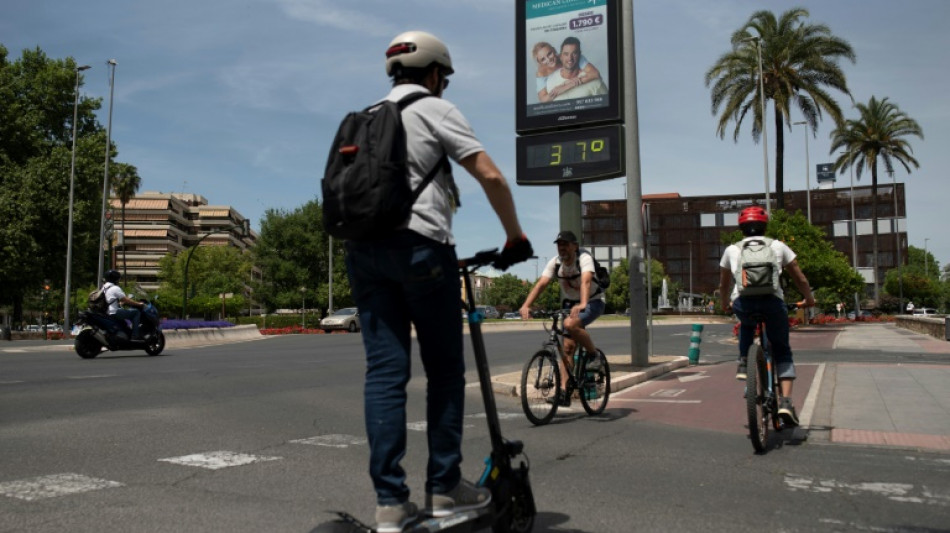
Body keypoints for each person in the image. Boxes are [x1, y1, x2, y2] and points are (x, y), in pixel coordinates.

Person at [346, 30, 533, 533]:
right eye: (443, 78)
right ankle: (445, 488)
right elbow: (491, 176)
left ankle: (390, 504)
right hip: (422, 249)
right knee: (445, 372)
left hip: (364, 254)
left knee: (384, 374)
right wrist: (514, 237)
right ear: (433, 74)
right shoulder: (434, 108)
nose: (443, 85)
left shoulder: (364, 117)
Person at [718, 206, 815, 426]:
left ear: (741, 228)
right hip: (773, 303)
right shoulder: (778, 246)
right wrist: (809, 298)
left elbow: (724, 284)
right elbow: (799, 277)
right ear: (765, 226)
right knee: (782, 349)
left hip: (743, 302)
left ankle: (744, 363)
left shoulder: (732, 250)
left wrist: (724, 303)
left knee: (746, 324)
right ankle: (786, 402)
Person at [518, 230, 605, 407]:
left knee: (570, 324)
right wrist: (526, 305)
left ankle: (594, 356)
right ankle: (564, 393)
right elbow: (541, 284)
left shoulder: (584, 258)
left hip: (593, 301)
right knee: (567, 348)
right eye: (559, 245)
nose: (562, 248)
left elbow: (586, 281)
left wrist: (582, 303)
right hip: (570, 304)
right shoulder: (555, 263)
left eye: (565, 244)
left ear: (575, 246)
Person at [531, 41, 601, 103]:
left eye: (549, 54)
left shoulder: (570, 57)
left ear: (554, 50)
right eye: (543, 59)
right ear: (539, 62)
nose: (549, 59)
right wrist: (558, 90)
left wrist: (567, 86)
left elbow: (595, 74)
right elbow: (543, 99)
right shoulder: (541, 73)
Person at [101, 269, 146, 339]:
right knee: (136, 312)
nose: (118, 281)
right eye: (118, 279)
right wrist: (139, 304)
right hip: (115, 312)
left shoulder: (103, 288)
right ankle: (135, 335)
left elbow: (110, 299)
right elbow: (126, 300)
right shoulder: (115, 288)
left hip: (106, 312)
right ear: (115, 279)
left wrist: (120, 303)